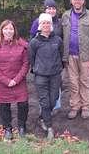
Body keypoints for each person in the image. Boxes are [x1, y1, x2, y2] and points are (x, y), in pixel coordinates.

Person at [62, 0, 89, 120]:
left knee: (85, 82)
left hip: (86, 56)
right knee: (73, 83)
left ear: (83, 1)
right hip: (70, 55)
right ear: (71, 1)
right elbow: (62, 36)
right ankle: (75, 106)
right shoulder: (65, 16)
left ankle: (85, 107)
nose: (77, 1)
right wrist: (64, 56)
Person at [0, 20, 29, 141]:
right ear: (1, 30)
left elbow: (26, 64)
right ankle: (7, 129)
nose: (8, 31)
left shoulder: (22, 45)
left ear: (14, 30)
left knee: (23, 104)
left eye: (11, 29)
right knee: (4, 105)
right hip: (1, 83)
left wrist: (16, 80)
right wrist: (6, 81)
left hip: (18, 81)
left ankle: (22, 127)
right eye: (6, 29)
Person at [29, 13, 63, 141]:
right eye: (43, 23)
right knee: (44, 101)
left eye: (48, 23)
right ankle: (49, 128)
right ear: (40, 25)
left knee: (53, 99)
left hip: (55, 74)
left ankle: (43, 117)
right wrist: (37, 69)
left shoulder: (57, 40)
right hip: (41, 76)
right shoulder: (34, 42)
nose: (46, 25)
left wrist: (58, 69)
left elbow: (61, 55)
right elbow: (31, 58)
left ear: (51, 25)